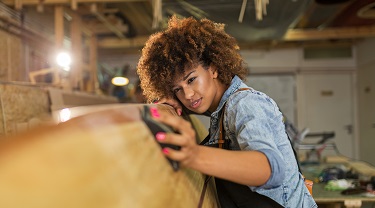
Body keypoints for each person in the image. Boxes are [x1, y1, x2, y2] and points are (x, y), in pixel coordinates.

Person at [137, 16, 317, 208]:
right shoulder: (221, 109)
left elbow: (270, 169)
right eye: (177, 89)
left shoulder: (245, 104)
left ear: (213, 68)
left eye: (191, 80)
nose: (188, 94)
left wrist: (194, 156)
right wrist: (174, 106)